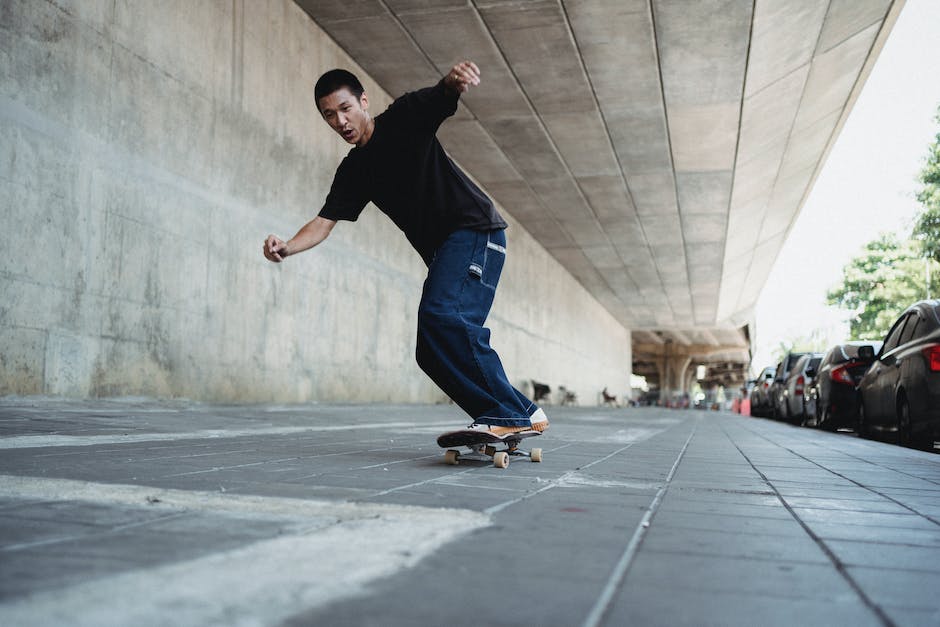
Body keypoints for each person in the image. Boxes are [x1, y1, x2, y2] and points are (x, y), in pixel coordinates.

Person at [263, 61, 548, 436]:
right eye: (329, 116)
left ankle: (505, 416)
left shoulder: (403, 117)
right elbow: (323, 222)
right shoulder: (354, 171)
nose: (341, 122)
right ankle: (523, 413)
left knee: (442, 317)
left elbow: (441, 96)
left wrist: (453, 81)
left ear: (363, 101)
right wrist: (287, 245)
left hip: (475, 232)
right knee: (430, 348)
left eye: (345, 109)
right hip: (451, 249)